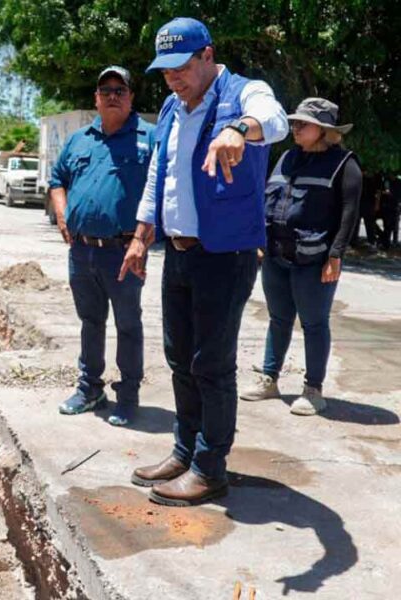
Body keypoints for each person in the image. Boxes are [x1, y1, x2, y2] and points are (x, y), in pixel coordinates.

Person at [120, 17, 289, 506]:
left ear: (207, 55)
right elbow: (161, 175)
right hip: (178, 252)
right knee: (179, 359)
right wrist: (140, 233)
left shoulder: (243, 93)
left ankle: (210, 466)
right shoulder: (174, 107)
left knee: (211, 364)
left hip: (226, 253)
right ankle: (184, 451)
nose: (172, 78)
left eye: (181, 67)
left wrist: (240, 129)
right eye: (165, 70)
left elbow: (274, 119)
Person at [241, 98, 362, 415]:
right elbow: (267, 199)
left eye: (302, 124)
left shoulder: (344, 163)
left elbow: (349, 214)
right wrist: (259, 241)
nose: (294, 127)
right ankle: (270, 379)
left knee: (314, 323)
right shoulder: (286, 158)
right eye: (293, 122)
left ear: (323, 130)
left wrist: (335, 254)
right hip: (276, 254)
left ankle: (313, 389)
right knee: (278, 319)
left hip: (315, 260)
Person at [49, 66, 155, 427]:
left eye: (119, 90)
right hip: (81, 251)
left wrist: (142, 239)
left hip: (124, 251)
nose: (112, 95)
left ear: (130, 97)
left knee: (128, 325)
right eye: (105, 89)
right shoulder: (80, 139)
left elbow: (162, 192)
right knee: (90, 322)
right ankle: (90, 388)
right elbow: (57, 179)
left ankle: (128, 397)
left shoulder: (149, 138)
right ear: (95, 98)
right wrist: (62, 216)